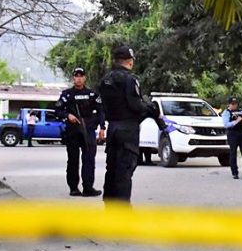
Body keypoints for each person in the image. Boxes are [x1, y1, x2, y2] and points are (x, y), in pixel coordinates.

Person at [99, 46, 164, 204]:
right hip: (127, 130)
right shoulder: (130, 79)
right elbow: (135, 105)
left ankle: (109, 205)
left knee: (112, 169)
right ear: (129, 61)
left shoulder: (106, 80)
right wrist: (151, 109)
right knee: (125, 171)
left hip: (113, 128)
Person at [55, 67, 106, 197]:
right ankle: (73, 188)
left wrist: (102, 128)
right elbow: (57, 110)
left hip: (88, 130)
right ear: (73, 78)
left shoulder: (92, 94)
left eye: (81, 76)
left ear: (85, 78)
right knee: (73, 160)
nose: (78, 78)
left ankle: (88, 188)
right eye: (76, 76)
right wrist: (68, 115)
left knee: (89, 159)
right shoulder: (67, 94)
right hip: (73, 131)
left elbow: (101, 111)